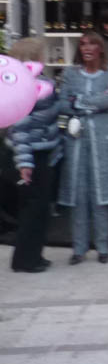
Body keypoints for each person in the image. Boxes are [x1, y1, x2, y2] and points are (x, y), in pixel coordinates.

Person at [58, 31, 108, 264]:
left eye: (91, 44)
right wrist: (90, 102)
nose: (86, 48)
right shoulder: (70, 73)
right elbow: (62, 102)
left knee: (101, 194)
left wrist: (78, 101)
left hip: (103, 140)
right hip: (77, 141)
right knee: (78, 194)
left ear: (100, 48)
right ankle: (78, 248)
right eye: (82, 45)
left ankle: (102, 246)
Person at [5, 38, 63, 273]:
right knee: (34, 209)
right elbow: (21, 128)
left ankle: (32, 255)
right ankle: (26, 260)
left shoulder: (21, 85)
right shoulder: (31, 89)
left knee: (34, 208)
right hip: (32, 156)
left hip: (34, 152)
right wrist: (25, 164)